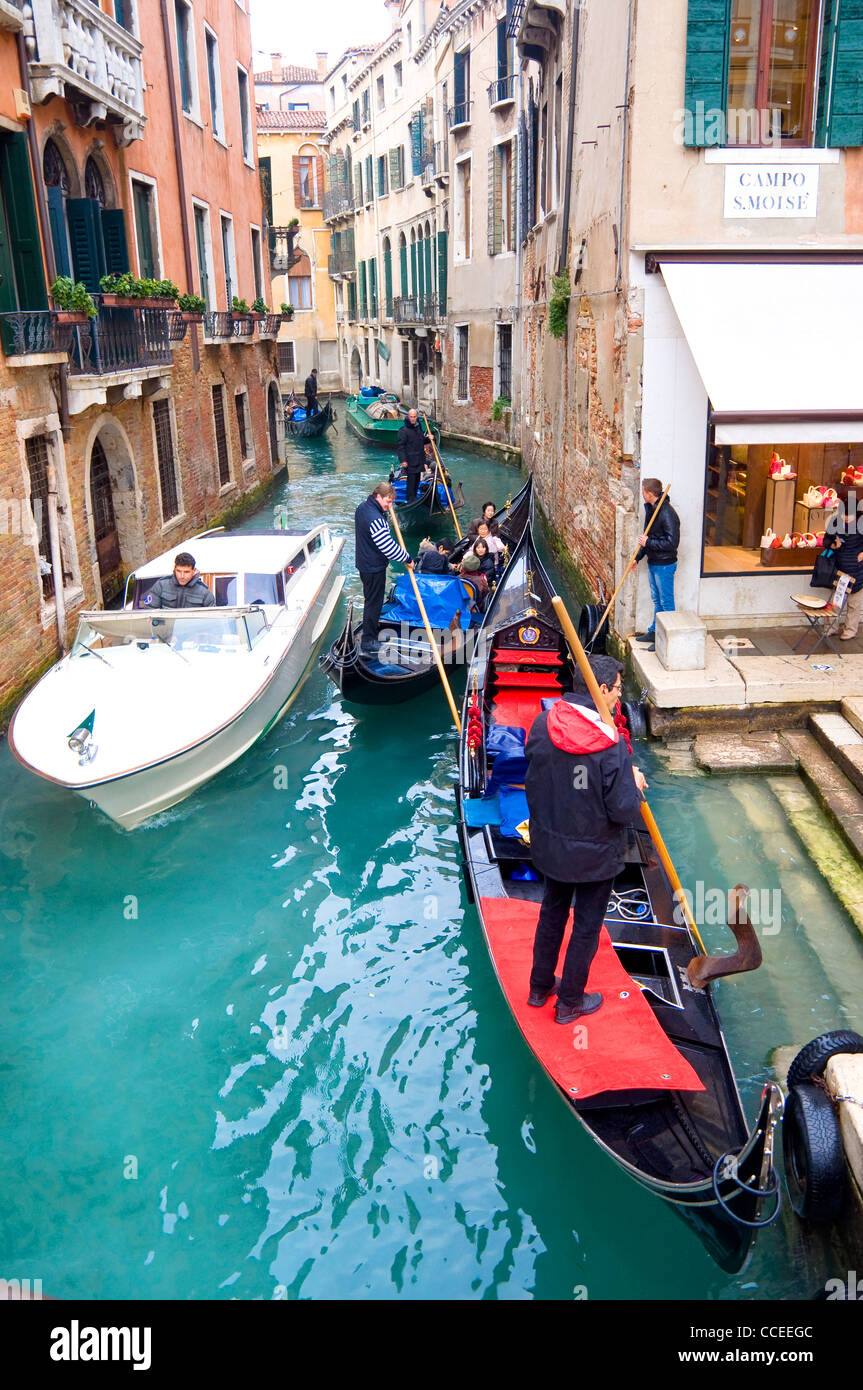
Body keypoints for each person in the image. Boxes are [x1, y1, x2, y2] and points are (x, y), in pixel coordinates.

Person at [525, 655, 647, 1024]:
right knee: (586, 926)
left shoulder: (543, 723)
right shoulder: (610, 746)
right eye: (618, 690)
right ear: (603, 689)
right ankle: (570, 1003)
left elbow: (540, 776)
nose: (619, 698)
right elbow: (622, 811)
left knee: (552, 912)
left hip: (550, 844)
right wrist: (635, 784)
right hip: (595, 856)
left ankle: (539, 986)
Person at [354, 481, 413, 656]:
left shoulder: (362, 508)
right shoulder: (376, 519)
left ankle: (371, 631)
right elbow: (387, 547)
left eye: (391, 503)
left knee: (371, 601)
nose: (389, 507)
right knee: (374, 603)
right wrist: (407, 558)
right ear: (378, 496)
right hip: (373, 567)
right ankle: (369, 641)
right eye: (387, 501)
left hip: (364, 564)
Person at [632, 478, 679, 651]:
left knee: (666, 602)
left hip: (664, 565)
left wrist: (649, 542)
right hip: (654, 562)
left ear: (649, 493)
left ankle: (666, 640)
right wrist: (637, 558)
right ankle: (654, 631)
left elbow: (672, 543)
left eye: (643, 491)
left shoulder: (667, 513)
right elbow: (647, 537)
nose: (642, 494)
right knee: (657, 600)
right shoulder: (653, 509)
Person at [826, 485, 863, 638]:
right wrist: (833, 544)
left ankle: (850, 631)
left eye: (849, 516)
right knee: (836, 601)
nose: (846, 518)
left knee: (854, 604)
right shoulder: (835, 522)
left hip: (858, 570)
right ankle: (830, 628)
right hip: (840, 569)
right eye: (844, 515)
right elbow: (826, 540)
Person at [145, 552, 216, 609]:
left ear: (193, 571)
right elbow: (149, 611)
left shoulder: (204, 592)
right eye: (179, 571)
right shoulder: (161, 585)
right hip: (165, 626)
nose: (182, 576)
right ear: (175, 568)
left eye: (186, 572)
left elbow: (212, 618)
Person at [396, 408, 427, 502]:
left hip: (419, 458)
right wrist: (403, 460)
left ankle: (414, 497)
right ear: (408, 417)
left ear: (417, 417)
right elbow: (401, 447)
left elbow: (422, 440)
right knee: (411, 481)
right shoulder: (403, 431)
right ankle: (410, 499)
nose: (413, 419)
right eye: (411, 417)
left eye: (414, 417)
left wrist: (429, 439)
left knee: (417, 479)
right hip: (410, 460)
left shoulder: (418, 427)